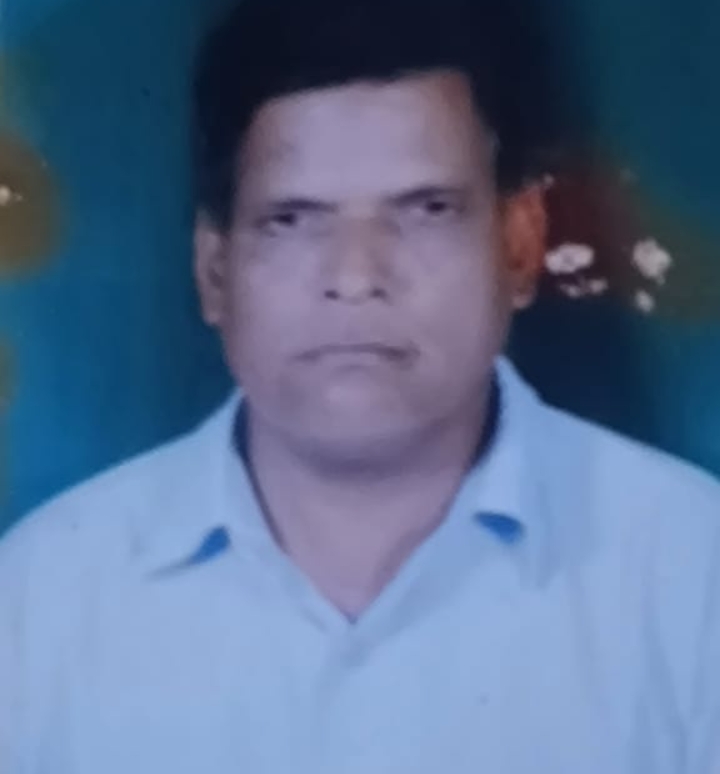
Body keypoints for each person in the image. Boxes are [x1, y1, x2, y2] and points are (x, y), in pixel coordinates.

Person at [1, 0, 719, 771]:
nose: (354, 277)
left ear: (520, 244)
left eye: (426, 210)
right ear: (214, 271)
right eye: (291, 220)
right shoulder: (45, 593)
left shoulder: (691, 566)